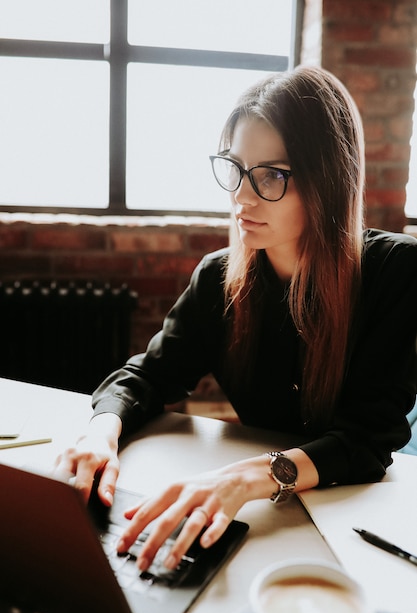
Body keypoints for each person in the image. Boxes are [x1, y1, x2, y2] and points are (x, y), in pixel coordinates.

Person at [54, 65, 417, 574]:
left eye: (270, 175)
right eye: (235, 168)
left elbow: (367, 442)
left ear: (327, 179)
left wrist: (240, 479)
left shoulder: (396, 272)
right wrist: (99, 432)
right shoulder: (220, 280)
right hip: (273, 524)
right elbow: (145, 376)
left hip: (356, 523)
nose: (241, 198)